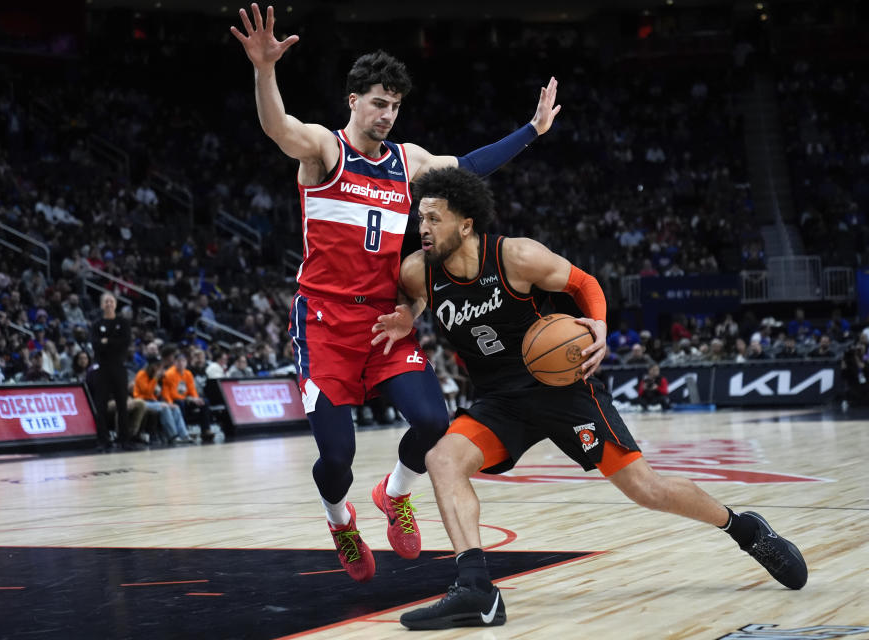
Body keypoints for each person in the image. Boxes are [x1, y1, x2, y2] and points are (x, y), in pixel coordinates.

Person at [372, 168, 807, 630]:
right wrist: (407, 316)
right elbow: (419, 298)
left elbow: (584, 283)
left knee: (646, 489)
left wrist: (598, 323)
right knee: (442, 459)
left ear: (465, 224)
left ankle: (745, 529)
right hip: (500, 401)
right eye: (420, 217)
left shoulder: (516, 256)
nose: (422, 227)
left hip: (564, 388)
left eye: (434, 218)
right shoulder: (417, 271)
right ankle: (477, 591)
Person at [231, 3, 561, 582]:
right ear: (353, 100)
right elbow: (276, 127)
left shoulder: (409, 162)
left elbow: (469, 166)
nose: (388, 114)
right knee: (337, 458)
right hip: (325, 325)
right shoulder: (324, 151)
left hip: (386, 320)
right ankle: (340, 520)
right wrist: (265, 70)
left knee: (435, 423)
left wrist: (530, 132)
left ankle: (394, 493)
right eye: (379, 103)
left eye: (396, 105)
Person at [90, 293, 131, 452]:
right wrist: (111, 342)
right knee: (100, 405)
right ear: (101, 305)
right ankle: (103, 440)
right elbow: (95, 345)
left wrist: (106, 341)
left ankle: (124, 440)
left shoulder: (123, 323)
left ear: (115, 304)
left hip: (119, 367)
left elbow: (125, 343)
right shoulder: (96, 324)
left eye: (111, 301)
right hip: (102, 368)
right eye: (106, 301)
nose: (108, 304)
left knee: (122, 404)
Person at [133, 356, 193, 445]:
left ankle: (184, 435)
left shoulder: (155, 376)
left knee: (175, 407)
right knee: (165, 407)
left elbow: (156, 393)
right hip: (142, 401)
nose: (162, 369)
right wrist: (155, 378)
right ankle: (173, 436)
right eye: (160, 367)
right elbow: (147, 391)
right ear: (154, 367)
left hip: (152, 401)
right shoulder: (141, 374)